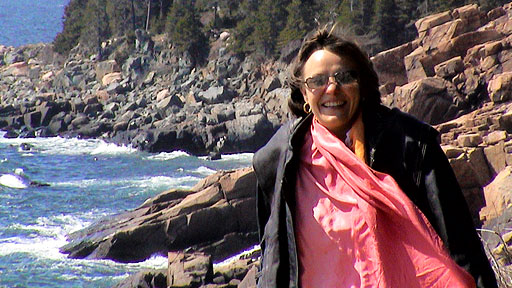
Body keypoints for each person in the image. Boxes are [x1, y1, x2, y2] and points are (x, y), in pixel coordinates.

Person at [252, 25, 497, 288]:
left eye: (344, 77)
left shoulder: (410, 145)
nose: (331, 89)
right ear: (304, 93)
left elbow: (462, 248)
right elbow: (273, 253)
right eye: (318, 81)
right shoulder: (280, 157)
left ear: (361, 84)